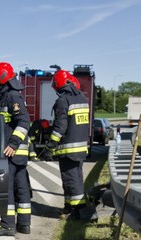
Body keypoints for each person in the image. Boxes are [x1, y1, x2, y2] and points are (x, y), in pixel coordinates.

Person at [0, 62, 32, 236]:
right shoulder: (7, 96)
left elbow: (24, 121)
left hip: (11, 151)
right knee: (21, 187)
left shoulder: (12, 97)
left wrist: (12, 144)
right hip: (16, 151)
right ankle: (24, 224)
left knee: (8, 188)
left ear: (3, 80)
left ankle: (7, 225)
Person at [47, 69, 98, 221]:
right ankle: (69, 207)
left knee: (71, 181)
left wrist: (50, 145)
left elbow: (60, 127)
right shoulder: (82, 98)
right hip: (81, 148)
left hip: (68, 149)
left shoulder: (63, 101)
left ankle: (81, 212)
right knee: (74, 179)